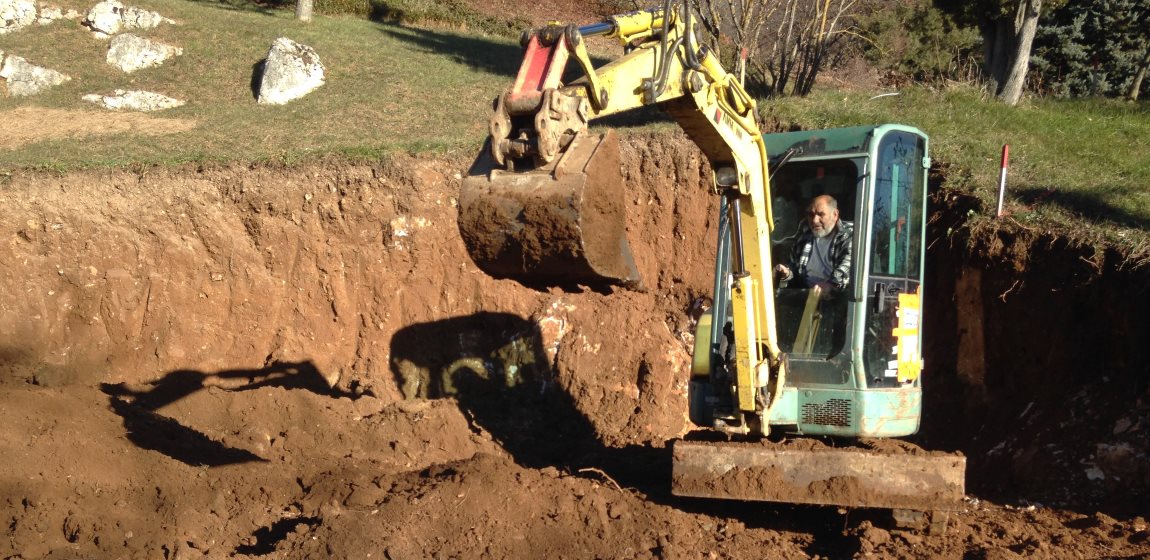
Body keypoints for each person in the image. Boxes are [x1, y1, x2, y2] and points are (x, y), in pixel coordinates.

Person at [774, 194, 853, 295]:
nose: (815, 220)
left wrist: (830, 285)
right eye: (811, 215)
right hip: (804, 295)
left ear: (835, 215)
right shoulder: (804, 237)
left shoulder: (849, 236)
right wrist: (787, 273)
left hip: (835, 299)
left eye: (821, 214)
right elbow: (795, 271)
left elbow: (846, 269)